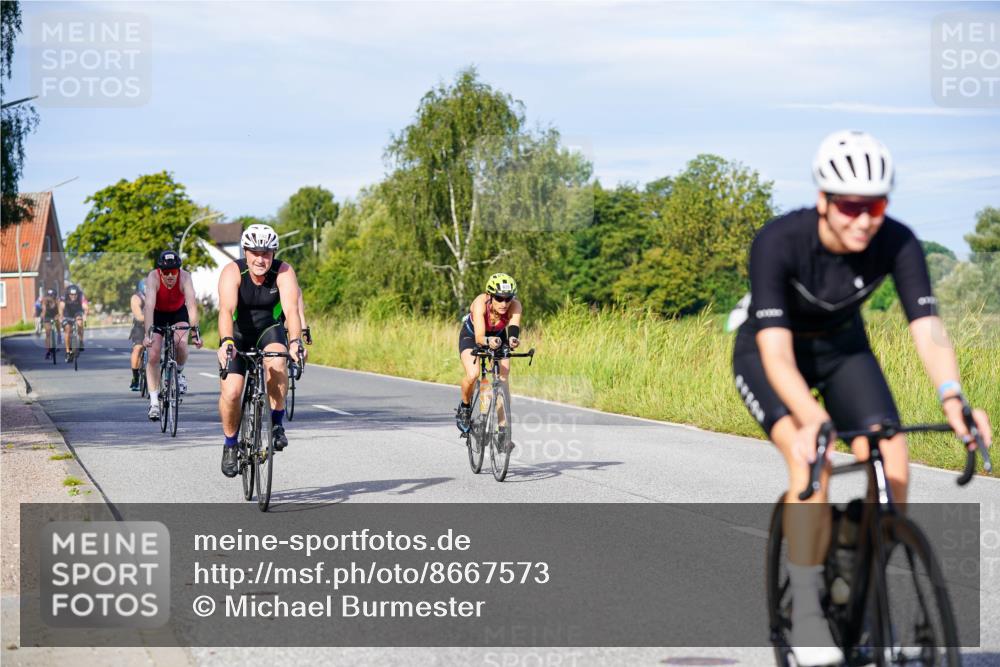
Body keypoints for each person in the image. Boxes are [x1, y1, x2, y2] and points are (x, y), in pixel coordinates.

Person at [730, 130, 993, 666]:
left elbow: (928, 328)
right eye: (850, 205)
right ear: (824, 201)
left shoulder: (897, 240)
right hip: (768, 353)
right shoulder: (779, 241)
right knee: (815, 458)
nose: (863, 219)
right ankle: (805, 607)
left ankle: (860, 585)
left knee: (893, 459)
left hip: (842, 350)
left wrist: (953, 399)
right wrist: (811, 418)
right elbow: (776, 355)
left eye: (875, 204)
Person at [216, 224, 305, 478]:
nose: (260, 259)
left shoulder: (284, 271)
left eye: (266, 253)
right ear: (246, 251)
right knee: (232, 392)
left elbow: (291, 310)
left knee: (277, 364)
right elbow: (224, 311)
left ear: (273, 253)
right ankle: (230, 445)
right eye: (255, 252)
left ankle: (277, 424)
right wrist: (226, 342)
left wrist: (296, 341)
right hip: (238, 333)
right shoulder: (233, 271)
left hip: (269, 329)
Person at [455, 273, 523, 437]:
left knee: (503, 378)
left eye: (508, 298)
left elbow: (513, 330)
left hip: (498, 337)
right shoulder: (480, 303)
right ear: (489, 296)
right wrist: (487, 341)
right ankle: (464, 407)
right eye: (499, 298)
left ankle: (502, 429)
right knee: (473, 374)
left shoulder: (515, 306)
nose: (504, 303)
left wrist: (513, 340)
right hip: (472, 336)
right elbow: (479, 338)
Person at [142, 250, 202, 420]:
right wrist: (148, 334)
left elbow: (191, 305)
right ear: (160, 271)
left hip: (178, 313)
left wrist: (196, 332)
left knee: (181, 343)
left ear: (178, 271)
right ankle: (154, 403)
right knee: (153, 354)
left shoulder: (185, 277)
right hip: (158, 314)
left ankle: (179, 372)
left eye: (173, 272)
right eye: (166, 272)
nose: (170, 276)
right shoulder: (153, 277)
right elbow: (149, 306)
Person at [58, 284, 88, 361]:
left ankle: (81, 341)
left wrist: (85, 315)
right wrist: (61, 316)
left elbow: (85, 307)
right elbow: (61, 307)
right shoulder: (65, 297)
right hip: (67, 314)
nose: (73, 296)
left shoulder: (81, 296)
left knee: (80, 323)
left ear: (78, 294)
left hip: (77, 312)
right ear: (68, 294)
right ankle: (68, 352)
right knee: (67, 329)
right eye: (71, 295)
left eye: (75, 295)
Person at [128, 279, 146, 391]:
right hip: (140, 326)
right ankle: (135, 377)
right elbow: (139, 316)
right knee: (138, 348)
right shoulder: (136, 298)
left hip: (154, 325)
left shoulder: (158, 296)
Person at [39, 289, 59, 358]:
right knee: (48, 333)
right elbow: (44, 311)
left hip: (55, 316)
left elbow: (60, 312)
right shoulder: (45, 301)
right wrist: (42, 318)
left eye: (52, 296)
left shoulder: (57, 301)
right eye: (49, 295)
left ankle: (59, 335)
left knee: (58, 323)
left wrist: (58, 316)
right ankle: (48, 351)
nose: (50, 297)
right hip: (47, 317)